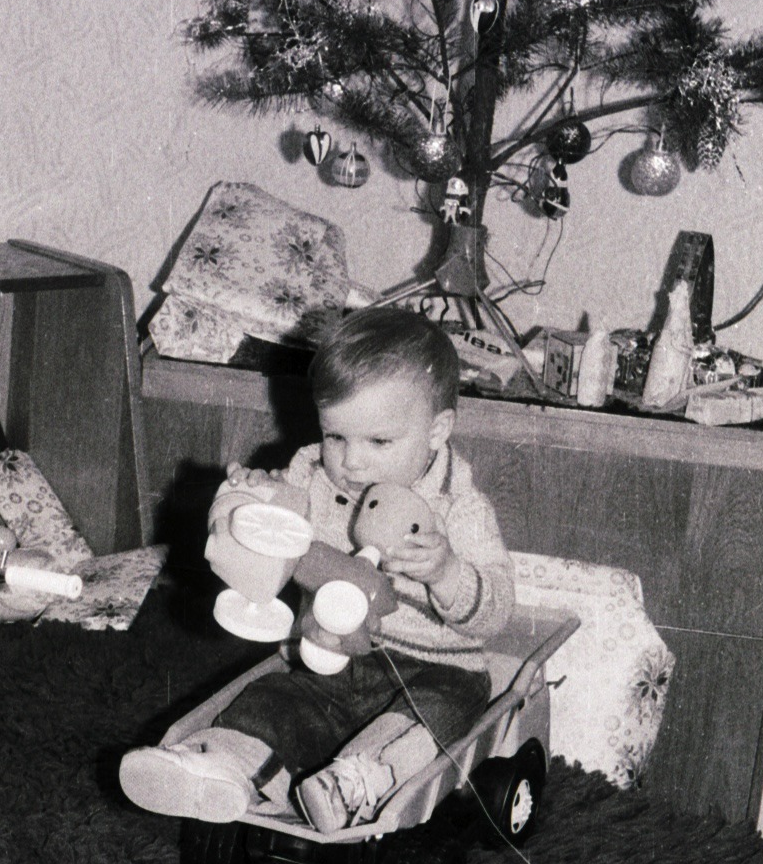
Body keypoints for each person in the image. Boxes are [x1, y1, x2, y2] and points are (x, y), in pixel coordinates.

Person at [119, 306, 514, 831]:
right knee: (271, 698)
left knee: (430, 719)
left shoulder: (459, 509)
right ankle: (223, 767)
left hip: (436, 669)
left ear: (437, 430)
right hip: (329, 659)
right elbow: (275, 525)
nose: (351, 462)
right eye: (335, 436)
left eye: (378, 441)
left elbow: (496, 613)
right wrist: (252, 499)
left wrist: (445, 571)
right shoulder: (311, 474)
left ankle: (358, 783)